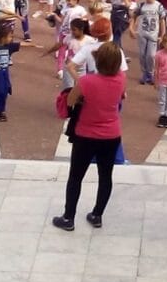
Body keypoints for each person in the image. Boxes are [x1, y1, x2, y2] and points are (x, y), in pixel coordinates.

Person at [53, 40, 126, 232]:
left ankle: (69, 217)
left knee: (76, 177)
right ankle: (97, 215)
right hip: (111, 134)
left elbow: (70, 101)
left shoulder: (87, 82)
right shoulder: (120, 79)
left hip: (86, 134)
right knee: (105, 176)